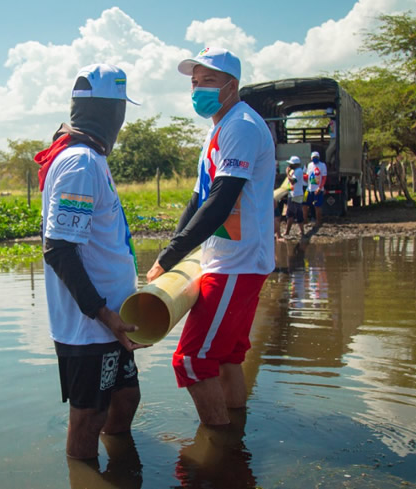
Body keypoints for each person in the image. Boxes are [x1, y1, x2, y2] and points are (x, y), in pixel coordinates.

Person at [145, 47, 275, 426]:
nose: (198, 89)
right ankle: (236, 432)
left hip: (237, 262)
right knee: (228, 355)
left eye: (209, 81)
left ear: (231, 86)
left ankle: (219, 449)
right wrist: (168, 253)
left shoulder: (241, 126)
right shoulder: (219, 128)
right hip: (228, 258)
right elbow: (198, 199)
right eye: (195, 82)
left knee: (191, 359)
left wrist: (169, 257)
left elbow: (220, 203)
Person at [35, 63, 149, 460]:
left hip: (109, 322)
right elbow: (60, 249)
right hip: (91, 327)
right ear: (113, 111)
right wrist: (103, 313)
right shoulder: (81, 162)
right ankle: (83, 475)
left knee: (127, 398)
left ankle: (120, 467)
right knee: (88, 417)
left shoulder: (91, 158)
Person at [302, 151, 327, 226]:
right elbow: (307, 176)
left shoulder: (322, 165)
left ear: (319, 158)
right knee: (304, 204)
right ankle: (305, 220)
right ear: (311, 158)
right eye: (313, 158)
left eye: (316, 157)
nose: (315, 159)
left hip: (318, 189)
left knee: (317, 206)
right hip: (309, 189)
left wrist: (320, 187)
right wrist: (302, 176)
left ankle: (318, 222)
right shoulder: (309, 165)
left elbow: (324, 178)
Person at [283, 156, 305, 238]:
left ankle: (301, 232)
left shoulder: (298, 171)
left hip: (296, 195)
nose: (289, 165)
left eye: (291, 164)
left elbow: (292, 181)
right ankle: (288, 231)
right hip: (292, 194)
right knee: (290, 213)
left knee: (298, 213)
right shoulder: (295, 171)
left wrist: (287, 173)